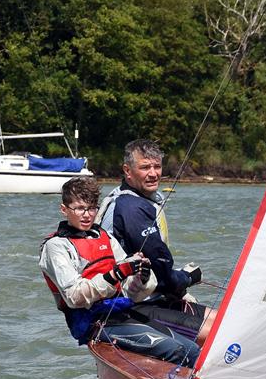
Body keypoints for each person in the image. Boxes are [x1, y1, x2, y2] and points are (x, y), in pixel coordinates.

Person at [40, 176, 200, 366]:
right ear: (64, 209)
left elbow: (130, 291)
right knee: (179, 351)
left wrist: (141, 278)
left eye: (92, 208)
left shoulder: (104, 236)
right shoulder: (56, 246)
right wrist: (115, 274)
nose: (87, 215)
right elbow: (74, 297)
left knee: (193, 350)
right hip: (93, 322)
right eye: (80, 208)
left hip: (122, 312)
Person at [97, 139, 216, 346]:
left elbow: (159, 269)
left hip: (156, 297)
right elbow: (160, 268)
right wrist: (186, 278)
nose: (153, 173)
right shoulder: (130, 208)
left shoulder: (140, 199)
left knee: (226, 322)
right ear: (128, 170)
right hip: (130, 307)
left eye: (157, 166)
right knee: (219, 335)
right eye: (145, 167)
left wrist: (179, 283)